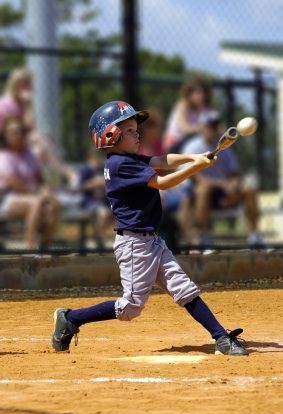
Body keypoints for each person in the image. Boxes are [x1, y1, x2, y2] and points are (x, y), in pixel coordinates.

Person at [51, 100, 248, 356]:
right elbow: (162, 182)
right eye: (130, 130)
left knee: (184, 289)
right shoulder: (119, 164)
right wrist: (196, 167)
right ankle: (71, 318)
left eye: (136, 129)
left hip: (152, 241)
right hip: (135, 246)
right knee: (130, 307)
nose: (137, 134)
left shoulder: (129, 158)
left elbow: (161, 160)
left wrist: (193, 157)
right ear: (112, 135)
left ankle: (221, 337)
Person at [177, 110, 263, 247]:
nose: (213, 129)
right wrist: (224, 185)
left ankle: (255, 236)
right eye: (209, 126)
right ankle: (203, 238)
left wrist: (233, 187)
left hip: (222, 193)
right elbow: (196, 179)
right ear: (201, 128)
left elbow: (234, 174)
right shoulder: (193, 146)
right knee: (203, 190)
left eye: (215, 126)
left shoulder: (226, 147)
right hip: (197, 195)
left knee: (249, 189)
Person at [0, 68, 76, 186]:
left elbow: (28, 128)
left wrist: (27, 105)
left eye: (28, 84)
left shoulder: (20, 104)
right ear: (15, 85)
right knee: (38, 139)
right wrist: (28, 104)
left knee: (39, 149)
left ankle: (49, 184)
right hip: (7, 144)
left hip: (21, 143)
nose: (27, 88)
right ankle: (67, 172)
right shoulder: (8, 103)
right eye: (23, 84)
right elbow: (24, 129)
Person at [0, 116, 61, 249]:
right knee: (36, 202)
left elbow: (40, 179)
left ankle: (45, 246)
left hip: (31, 195)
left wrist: (47, 193)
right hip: (7, 198)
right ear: (6, 136)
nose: (18, 135)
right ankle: (30, 248)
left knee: (54, 206)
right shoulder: (4, 156)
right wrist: (38, 194)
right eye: (14, 132)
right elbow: (13, 182)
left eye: (20, 131)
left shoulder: (29, 154)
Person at [163, 76, 213, 153]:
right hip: (175, 144)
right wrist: (201, 129)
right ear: (189, 93)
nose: (201, 95)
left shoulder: (206, 108)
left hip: (194, 144)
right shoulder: (183, 105)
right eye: (198, 92)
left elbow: (215, 127)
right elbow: (185, 128)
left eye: (204, 92)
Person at [78, 148, 113, 248]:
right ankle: (98, 239)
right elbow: (81, 186)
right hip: (90, 202)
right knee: (104, 213)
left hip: (104, 201)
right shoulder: (85, 169)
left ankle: (97, 238)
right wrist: (95, 183)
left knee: (118, 212)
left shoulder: (104, 168)